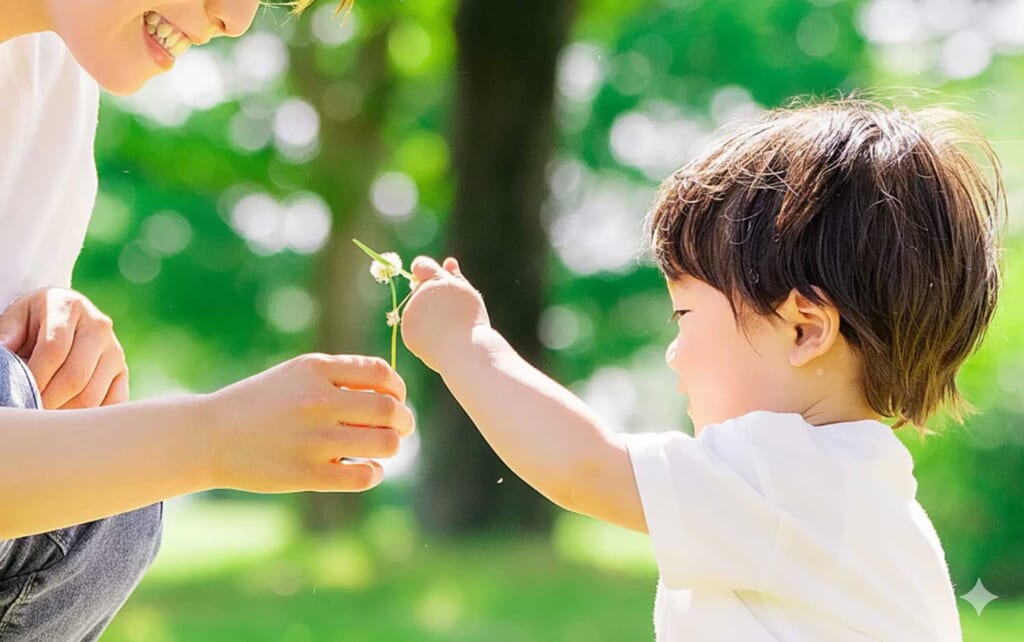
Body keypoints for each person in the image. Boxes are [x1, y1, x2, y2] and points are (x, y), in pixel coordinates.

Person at [399, 100, 1003, 641]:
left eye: (685, 313)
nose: (673, 352)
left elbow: (583, 465)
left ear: (806, 328)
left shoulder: (789, 473)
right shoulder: (862, 497)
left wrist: (466, 343)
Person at [0, 0, 409, 639]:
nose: (238, 18)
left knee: (109, 484)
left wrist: (51, 333)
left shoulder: (54, 82)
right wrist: (212, 437)